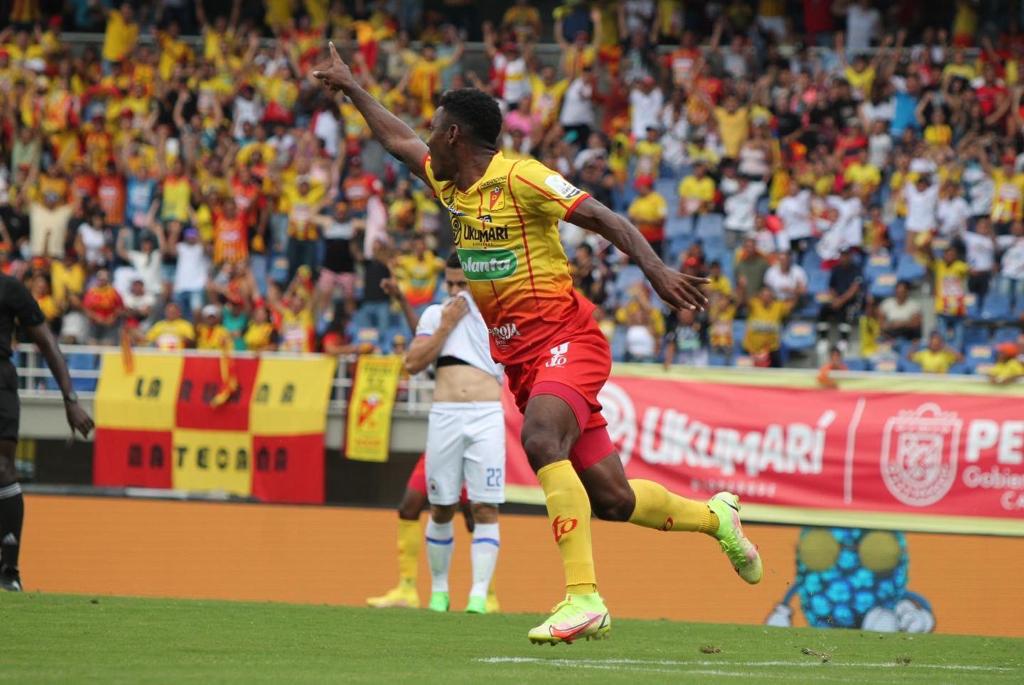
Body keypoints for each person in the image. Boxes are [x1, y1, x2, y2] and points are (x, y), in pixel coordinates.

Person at [314, 44, 761, 645]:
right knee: (613, 500)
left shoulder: (522, 177)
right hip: (521, 360)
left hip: (567, 339)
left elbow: (606, 219)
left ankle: (584, 598)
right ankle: (716, 518)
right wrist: (350, 87)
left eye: (431, 132)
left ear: (452, 135)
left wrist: (656, 272)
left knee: (540, 438)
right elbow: (397, 141)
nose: (423, 141)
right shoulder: (452, 187)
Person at [366, 268, 502, 613]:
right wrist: (446, 326)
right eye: (451, 284)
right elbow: (412, 363)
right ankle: (438, 593)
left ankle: (480, 596)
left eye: (463, 284)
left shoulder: (497, 313)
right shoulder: (434, 315)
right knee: (440, 507)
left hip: (486, 414)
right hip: (445, 415)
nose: (456, 291)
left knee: (484, 507)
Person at [0, 273, 94, 591]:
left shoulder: (10, 288)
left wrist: (70, 399)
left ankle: (9, 571)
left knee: (3, 467)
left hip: (0, 382)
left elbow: (46, 342)